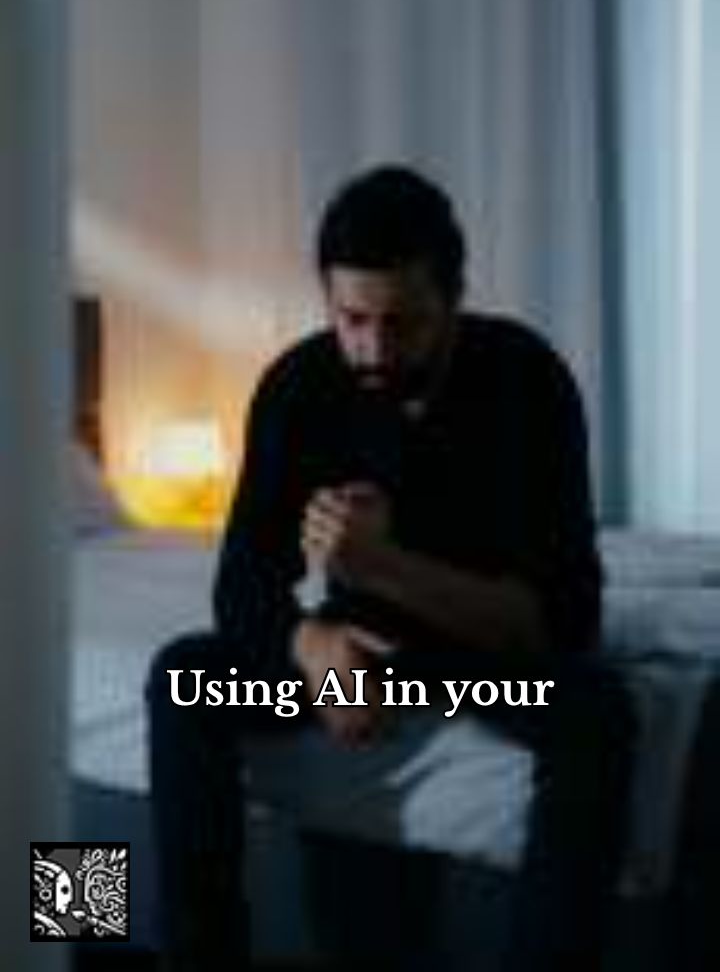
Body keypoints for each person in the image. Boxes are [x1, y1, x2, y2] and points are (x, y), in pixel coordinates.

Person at [147, 164, 634, 971]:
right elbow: (242, 584)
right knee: (184, 678)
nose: (372, 349)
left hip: (477, 671)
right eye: (352, 320)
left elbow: (564, 621)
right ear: (327, 301)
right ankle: (132, 942)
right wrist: (311, 648)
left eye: (403, 324)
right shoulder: (299, 384)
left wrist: (380, 565)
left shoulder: (525, 378)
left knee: (596, 711)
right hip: (348, 663)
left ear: (453, 299)